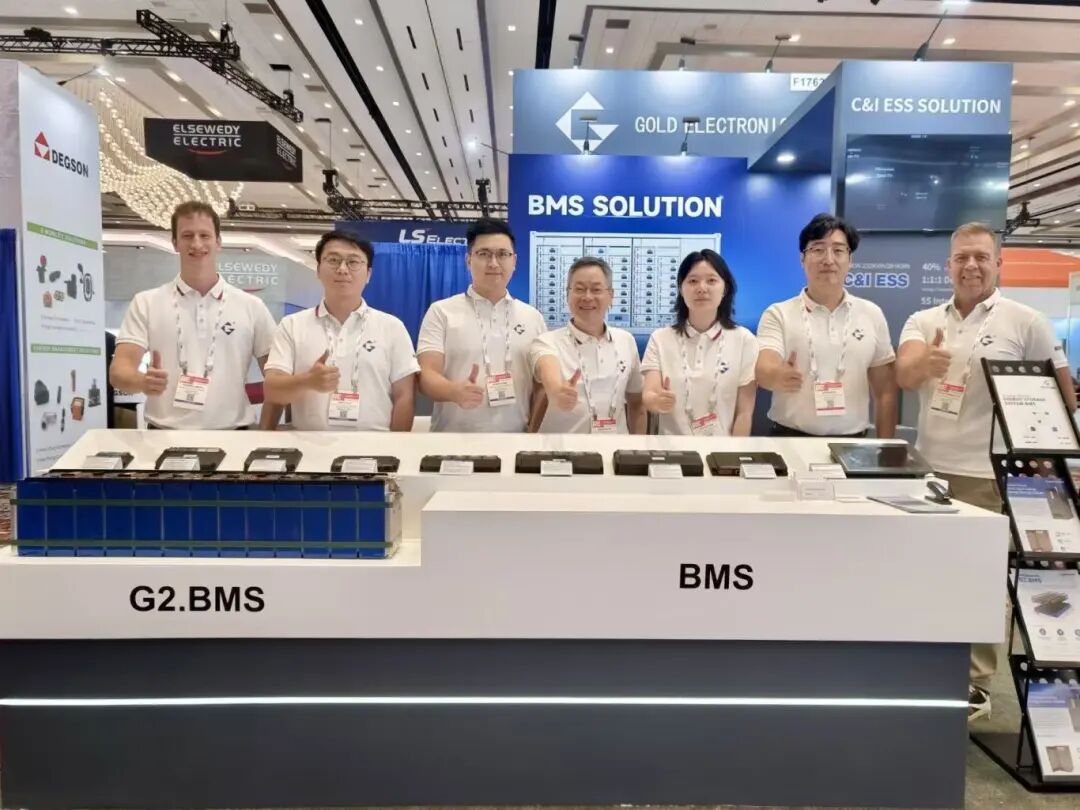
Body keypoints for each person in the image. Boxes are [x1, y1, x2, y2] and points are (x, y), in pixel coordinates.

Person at [896, 221, 1076, 722]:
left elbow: (1063, 394)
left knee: (985, 579)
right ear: (948, 266)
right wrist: (925, 364)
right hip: (930, 472)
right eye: (962, 258)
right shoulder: (923, 319)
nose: (970, 266)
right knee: (929, 573)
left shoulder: (1027, 321)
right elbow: (904, 372)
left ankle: (976, 681)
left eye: (980, 257)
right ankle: (927, 664)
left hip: (991, 474)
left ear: (998, 262)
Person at [109, 201, 278, 430]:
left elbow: (278, 377)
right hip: (163, 436)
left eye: (204, 235)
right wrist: (142, 381)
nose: (196, 244)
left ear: (218, 242)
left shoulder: (251, 306)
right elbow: (119, 371)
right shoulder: (147, 302)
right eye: (187, 236)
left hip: (232, 435)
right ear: (175, 243)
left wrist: (268, 430)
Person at [755, 213, 897, 438]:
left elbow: (886, 391)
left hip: (853, 444)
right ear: (802, 259)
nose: (828, 259)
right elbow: (764, 368)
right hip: (790, 439)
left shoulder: (871, 314)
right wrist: (776, 375)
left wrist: (886, 448)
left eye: (838, 250)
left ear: (850, 260)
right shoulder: (778, 313)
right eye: (818, 249)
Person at [263, 231, 418, 431]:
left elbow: (405, 396)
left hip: (375, 445)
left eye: (353, 262)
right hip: (309, 445)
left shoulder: (392, 327)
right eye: (333, 260)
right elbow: (272, 391)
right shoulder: (292, 325)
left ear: (368, 274)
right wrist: (308, 381)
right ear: (318, 270)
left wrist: (396, 445)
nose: (343, 269)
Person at [417, 218, 546, 432]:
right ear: (468, 260)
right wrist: (454, 391)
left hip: (517, 440)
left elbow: (540, 385)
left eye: (502, 254)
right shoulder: (442, 312)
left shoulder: (533, 317)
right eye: (484, 254)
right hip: (453, 440)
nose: (493, 263)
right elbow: (425, 376)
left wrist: (534, 430)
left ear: (514, 261)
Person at [640, 250, 757, 436]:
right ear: (681, 289)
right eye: (693, 281)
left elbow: (744, 413)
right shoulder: (660, 338)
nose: (702, 288)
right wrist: (657, 401)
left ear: (725, 289)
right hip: (672, 449)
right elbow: (649, 395)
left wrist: (734, 452)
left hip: (721, 451)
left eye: (711, 280)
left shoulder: (744, 340)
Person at [529, 257, 644, 434]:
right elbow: (548, 370)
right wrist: (557, 391)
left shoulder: (626, 340)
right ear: (567, 294)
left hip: (615, 448)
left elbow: (636, 402)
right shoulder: (547, 341)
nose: (587, 297)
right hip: (564, 449)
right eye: (579, 289)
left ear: (611, 295)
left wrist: (637, 447)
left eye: (596, 289)